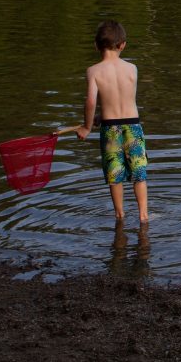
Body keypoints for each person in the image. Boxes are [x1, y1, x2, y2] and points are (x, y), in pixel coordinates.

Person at [75, 20, 148, 225]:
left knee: (115, 174)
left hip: (110, 130)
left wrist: (87, 126)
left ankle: (120, 216)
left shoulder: (94, 71)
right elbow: (123, 99)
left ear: (96, 45)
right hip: (133, 126)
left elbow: (91, 101)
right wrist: (102, 116)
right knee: (139, 173)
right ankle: (143, 216)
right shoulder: (132, 68)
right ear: (122, 44)